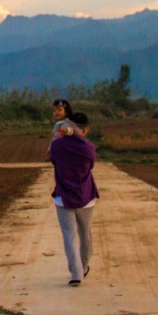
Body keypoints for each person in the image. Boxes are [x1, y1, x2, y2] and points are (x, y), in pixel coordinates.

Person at [49, 108, 99, 286]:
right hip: (86, 196)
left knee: (69, 235)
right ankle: (84, 266)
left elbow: (53, 160)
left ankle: (76, 273)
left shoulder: (57, 145)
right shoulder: (88, 147)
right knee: (85, 234)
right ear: (84, 129)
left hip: (63, 196)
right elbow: (90, 166)